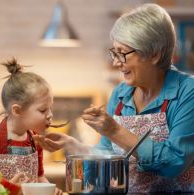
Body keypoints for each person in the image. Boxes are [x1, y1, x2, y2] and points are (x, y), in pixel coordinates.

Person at [33, 3, 194, 194]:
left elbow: (175, 162)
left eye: (123, 53)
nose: (116, 62)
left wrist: (115, 131)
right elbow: (108, 155)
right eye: (114, 52)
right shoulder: (121, 93)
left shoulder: (187, 92)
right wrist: (74, 145)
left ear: (154, 55)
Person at [0, 58, 62, 195]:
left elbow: (39, 177)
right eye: (43, 110)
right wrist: (7, 186)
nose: (50, 115)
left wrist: (50, 189)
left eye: (50, 108)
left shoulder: (35, 141)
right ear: (17, 110)